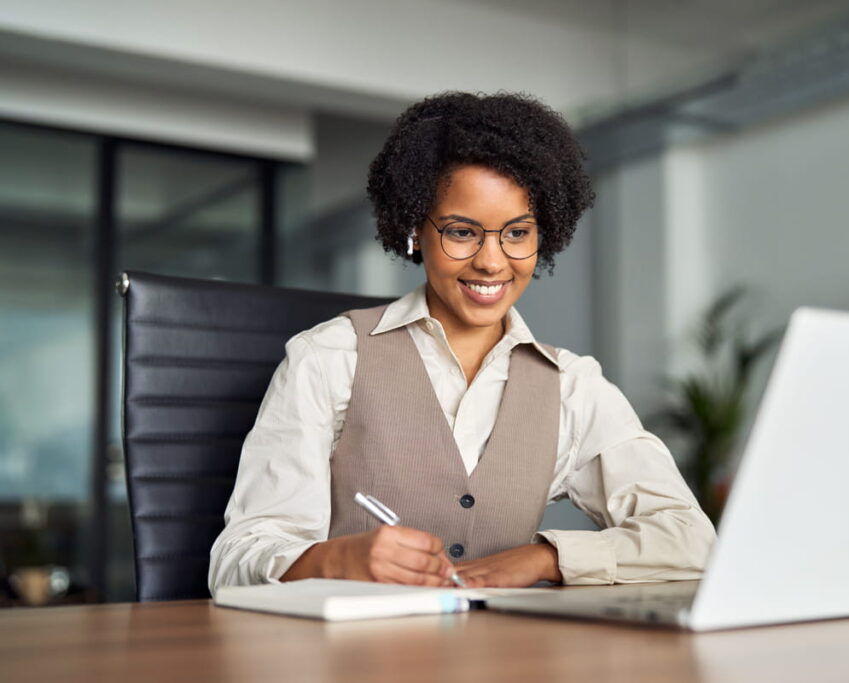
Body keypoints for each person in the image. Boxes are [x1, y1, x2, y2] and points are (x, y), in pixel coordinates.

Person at [209, 92, 716, 592]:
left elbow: (692, 539)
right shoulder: (329, 358)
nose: (492, 262)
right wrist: (336, 558)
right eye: (461, 232)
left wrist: (547, 557)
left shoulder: (571, 388)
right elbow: (236, 559)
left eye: (517, 233)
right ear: (414, 230)